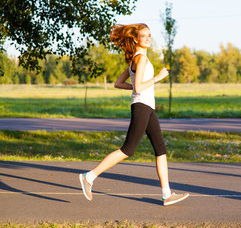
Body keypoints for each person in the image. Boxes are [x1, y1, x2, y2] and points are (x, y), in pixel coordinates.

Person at [79, 23, 189, 206]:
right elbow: (138, 87)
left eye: (150, 35)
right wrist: (156, 79)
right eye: (144, 36)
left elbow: (118, 83)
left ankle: (166, 194)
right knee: (127, 150)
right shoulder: (141, 59)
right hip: (142, 106)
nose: (148, 38)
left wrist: (141, 86)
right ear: (136, 39)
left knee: (160, 149)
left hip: (146, 106)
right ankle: (88, 177)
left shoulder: (135, 59)